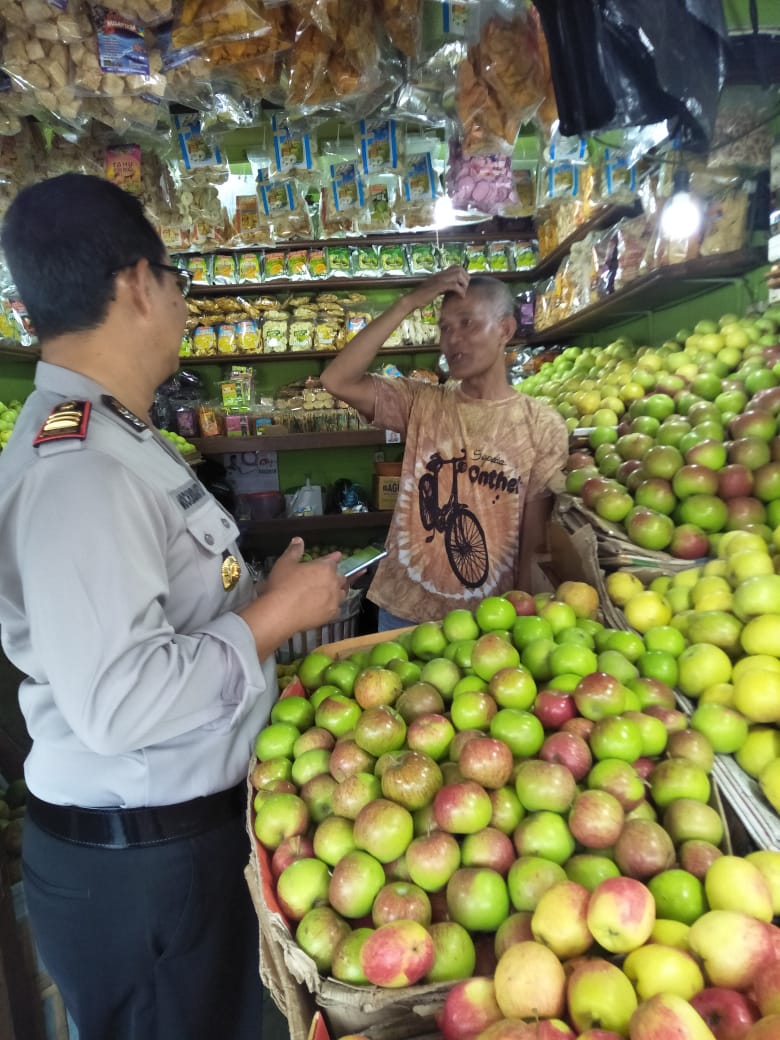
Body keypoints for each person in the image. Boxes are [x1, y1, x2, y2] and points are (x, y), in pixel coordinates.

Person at [0, 173, 347, 1040]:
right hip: (143, 863)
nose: (185, 306)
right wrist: (275, 619)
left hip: (168, 844)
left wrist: (262, 596)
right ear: (136, 284)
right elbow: (120, 699)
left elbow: (159, 613)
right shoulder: (79, 466)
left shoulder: (115, 433)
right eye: (178, 281)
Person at [320, 266, 568, 630]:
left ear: (506, 330)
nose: (452, 339)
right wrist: (411, 300)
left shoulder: (541, 424)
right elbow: (335, 379)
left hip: (489, 618)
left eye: (467, 323)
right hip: (403, 608)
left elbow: (534, 541)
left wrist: (521, 612)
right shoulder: (421, 401)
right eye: (445, 328)